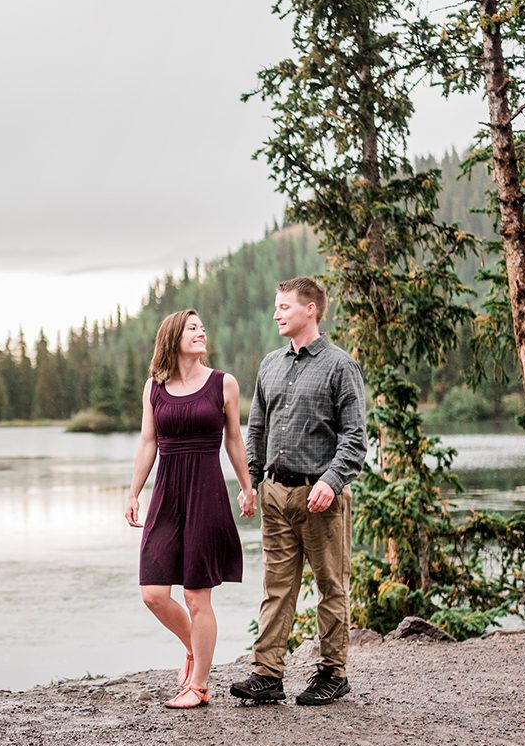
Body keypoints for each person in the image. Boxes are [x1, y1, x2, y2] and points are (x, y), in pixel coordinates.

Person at [230, 276, 367, 706]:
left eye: (284, 307)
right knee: (276, 587)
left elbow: (355, 437)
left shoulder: (340, 365)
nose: (276, 314)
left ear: (311, 309)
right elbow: (256, 429)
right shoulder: (270, 364)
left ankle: (333, 672)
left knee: (331, 585)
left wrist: (331, 481)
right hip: (274, 494)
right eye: (276, 307)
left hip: (320, 497)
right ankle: (267, 674)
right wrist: (251, 481)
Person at [125, 308, 255, 709]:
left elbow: (234, 440)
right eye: (192, 328)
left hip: (206, 491)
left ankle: (198, 686)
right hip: (166, 494)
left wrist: (247, 487)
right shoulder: (154, 387)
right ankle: (193, 649)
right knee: (153, 593)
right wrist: (133, 492)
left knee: (198, 597)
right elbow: (148, 442)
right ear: (173, 338)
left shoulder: (223, 384)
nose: (201, 332)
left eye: (202, 327)